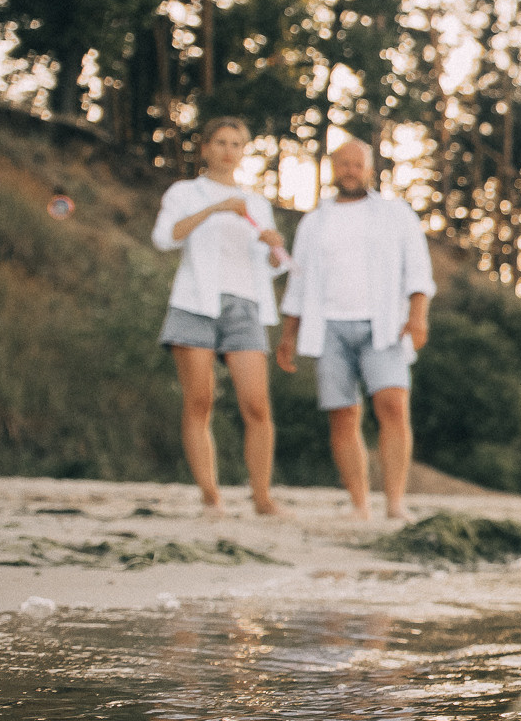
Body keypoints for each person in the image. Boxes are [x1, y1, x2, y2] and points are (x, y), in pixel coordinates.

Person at [275, 139, 434, 521]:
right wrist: (288, 335)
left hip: (384, 325)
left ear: (370, 169)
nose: (350, 170)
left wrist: (418, 316)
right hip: (328, 327)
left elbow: (418, 270)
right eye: (343, 163)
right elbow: (299, 281)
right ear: (333, 168)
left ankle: (395, 503)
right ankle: (359, 504)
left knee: (393, 406)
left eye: (357, 164)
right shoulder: (314, 222)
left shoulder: (396, 214)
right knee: (343, 415)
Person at [152, 116, 287, 517]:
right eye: (221, 143)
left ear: (243, 152)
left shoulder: (257, 203)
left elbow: (274, 265)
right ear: (206, 148)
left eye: (236, 144)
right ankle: (211, 496)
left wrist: (274, 247)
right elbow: (164, 238)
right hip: (195, 303)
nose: (229, 151)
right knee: (200, 401)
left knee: (257, 406)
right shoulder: (184, 192)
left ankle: (262, 498)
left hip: (245, 305)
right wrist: (215, 209)